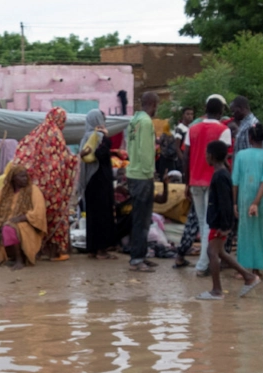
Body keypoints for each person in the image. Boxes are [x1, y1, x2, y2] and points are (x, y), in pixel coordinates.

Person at [197, 140, 261, 300]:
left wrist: (226, 225)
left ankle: (217, 290)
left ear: (210, 156)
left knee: (212, 252)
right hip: (218, 222)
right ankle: (248, 277)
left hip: (219, 223)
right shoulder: (222, 173)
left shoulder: (220, 176)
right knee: (219, 252)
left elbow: (225, 203)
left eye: (206, 154)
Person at [15, 106, 79, 261]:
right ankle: (55, 252)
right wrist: (76, 158)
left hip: (36, 186)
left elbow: (24, 152)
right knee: (57, 216)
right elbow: (61, 161)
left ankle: (39, 249)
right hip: (52, 186)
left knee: (40, 215)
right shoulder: (56, 133)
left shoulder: (38, 131)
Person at [184, 96, 233, 276]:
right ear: (220, 112)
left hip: (195, 179)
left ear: (205, 110)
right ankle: (204, 265)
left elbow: (187, 155)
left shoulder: (193, 129)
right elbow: (224, 157)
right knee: (209, 224)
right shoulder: (224, 129)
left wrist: (186, 181)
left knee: (202, 221)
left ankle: (205, 263)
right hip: (214, 180)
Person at [0, 163, 46, 269]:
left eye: (25, 176)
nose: (25, 179)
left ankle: (19, 260)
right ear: (13, 178)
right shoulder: (4, 190)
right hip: (3, 220)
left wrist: (20, 218)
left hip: (25, 223)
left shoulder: (33, 190)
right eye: (21, 176)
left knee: (9, 227)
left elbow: (38, 212)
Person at [232, 122, 263, 275]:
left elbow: (235, 181)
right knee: (262, 233)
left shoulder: (240, 155)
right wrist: (256, 202)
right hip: (262, 200)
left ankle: (244, 269)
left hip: (243, 198)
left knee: (245, 232)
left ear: (250, 138)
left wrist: (234, 203)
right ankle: (257, 269)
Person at [125, 92, 161, 272]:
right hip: (142, 175)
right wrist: (150, 173)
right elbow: (146, 151)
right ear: (153, 104)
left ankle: (140, 255)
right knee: (143, 219)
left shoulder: (134, 120)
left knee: (140, 219)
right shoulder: (146, 122)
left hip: (133, 172)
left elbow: (130, 146)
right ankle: (137, 259)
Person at [79, 108, 117, 260]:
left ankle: (92, 249)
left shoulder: (85, 137)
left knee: (92, 216)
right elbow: (101, 155)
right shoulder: (99, 137)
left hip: (89, 181)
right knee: (103, 214)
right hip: (99, 180)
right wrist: (107, 139)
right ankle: (102, 250)